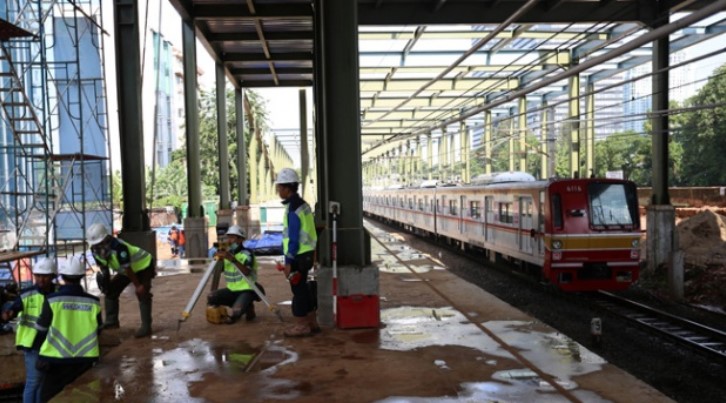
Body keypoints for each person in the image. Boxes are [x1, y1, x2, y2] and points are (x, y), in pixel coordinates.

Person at [35, 258, 101, 402]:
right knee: (84, 397)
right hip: (85, 359)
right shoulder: (94, 302)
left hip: (55, 359)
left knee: (48, 397)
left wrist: (39, 354)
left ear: (62, 277)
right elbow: (98, 329)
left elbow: (41, 328)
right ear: (82, 277)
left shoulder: (52, 300)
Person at [0, 258, 56, 403]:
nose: (41, 279)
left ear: (52, 276)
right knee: (34, 382)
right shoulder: (27, 294)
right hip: (32, 344)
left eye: (45, 276)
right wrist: (8, 314)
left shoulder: (58, 293)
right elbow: (13, 309)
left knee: (42, 383)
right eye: (38, 276)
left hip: (52, 343)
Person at [87, 223, 155, 338]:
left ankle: (146, 326)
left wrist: (138, 286)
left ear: (106, 238)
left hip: (143, 266)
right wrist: (106, 282)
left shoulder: (119, 248)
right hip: (126, 270)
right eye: (95, 244)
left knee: (142, 293)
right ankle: (111, 322)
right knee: (111, 292)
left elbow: (128, 269)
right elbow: (103, 266)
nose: (97, 246)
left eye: (99, 243)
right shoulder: (94, 250)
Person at [275, 168, 319, 337]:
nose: (278, 191)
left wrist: (288, 261)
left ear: (287, 188)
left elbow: (293, 237)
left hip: (298, 255)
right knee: (304, 289)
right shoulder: (303, 205)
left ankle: (302, 325)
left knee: (298, 291)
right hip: (307, 253)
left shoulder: (293, 208)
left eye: (279, 187)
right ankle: (311, 321)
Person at [207, 225, 261, 323]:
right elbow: (216, 272)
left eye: (232, 237)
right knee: (211, 297)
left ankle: (248, 306)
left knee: (235, 313)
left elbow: (246, 272)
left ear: (241, 239)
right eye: (229, 237)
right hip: (231, 290)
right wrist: (217, 260)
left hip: (247, 289)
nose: (229, 240)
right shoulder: (226, 253)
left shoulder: (247, 254)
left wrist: (232, 259)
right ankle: (240, 304)